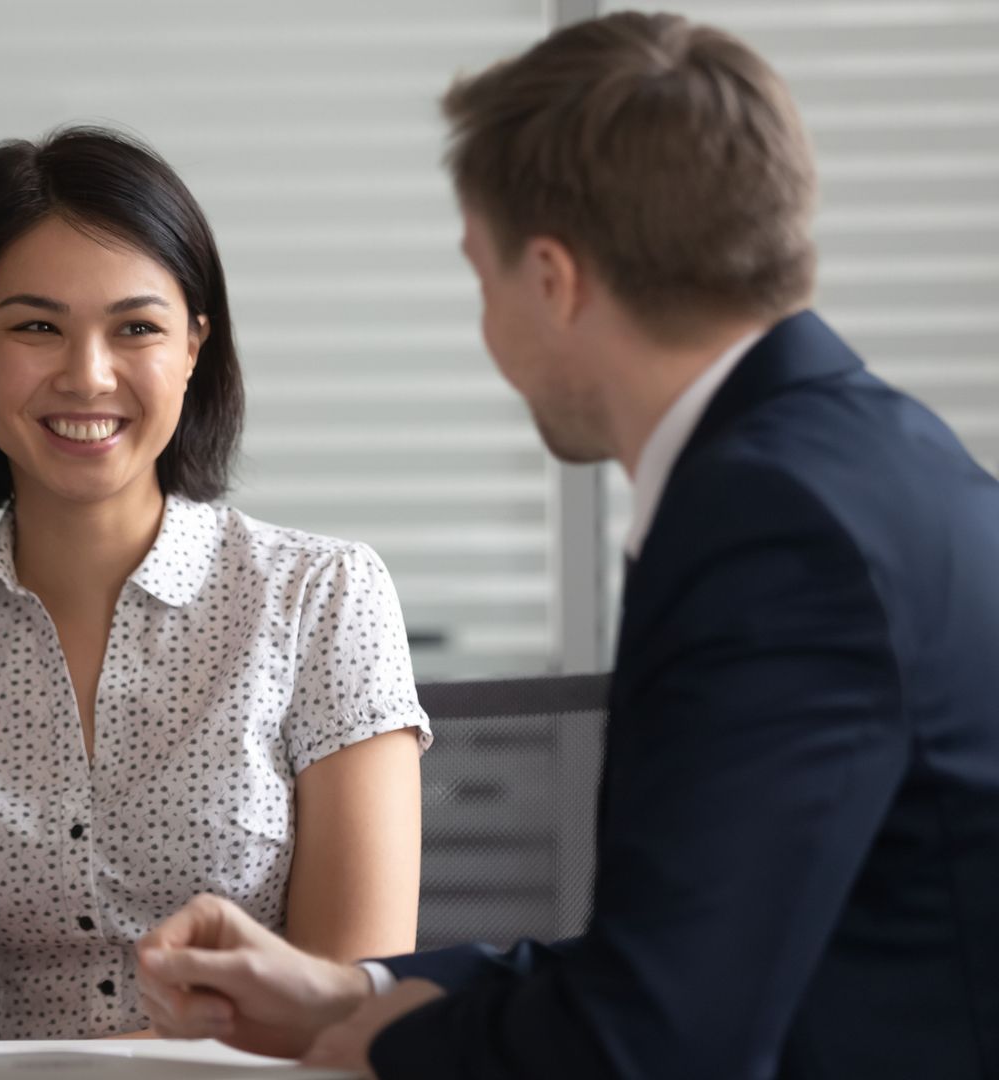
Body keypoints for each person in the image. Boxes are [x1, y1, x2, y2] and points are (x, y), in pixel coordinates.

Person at [137, 12, 999, 1078]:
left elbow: (661, 1038)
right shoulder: (871, 458)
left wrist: (388, 1048)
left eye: (482, 276)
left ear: (552, 279)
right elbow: (700, 950)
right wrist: (349, 993)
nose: (488, 322)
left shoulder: (775, 531)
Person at [0, 127, 428, 1042]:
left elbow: (346, 1013)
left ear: (195, 346)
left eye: (137, 328)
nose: (88, 375)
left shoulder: (323, 599)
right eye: (36, 327)